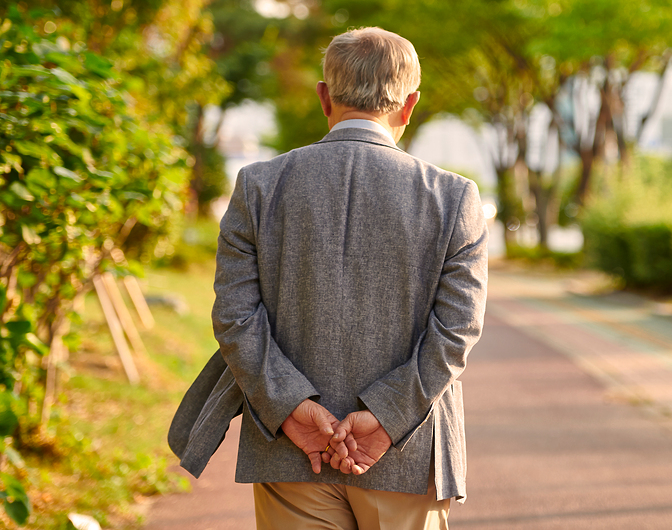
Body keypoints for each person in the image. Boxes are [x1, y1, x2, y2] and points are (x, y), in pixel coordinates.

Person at [168, 27, 489, 530]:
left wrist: (292, 408)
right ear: (409, 105)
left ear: (324, 96)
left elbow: (234, 317)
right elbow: (456, 333)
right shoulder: (454, 198)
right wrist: (385, 420)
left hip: (290, 452)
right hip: (405, 454)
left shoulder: (258, 186)